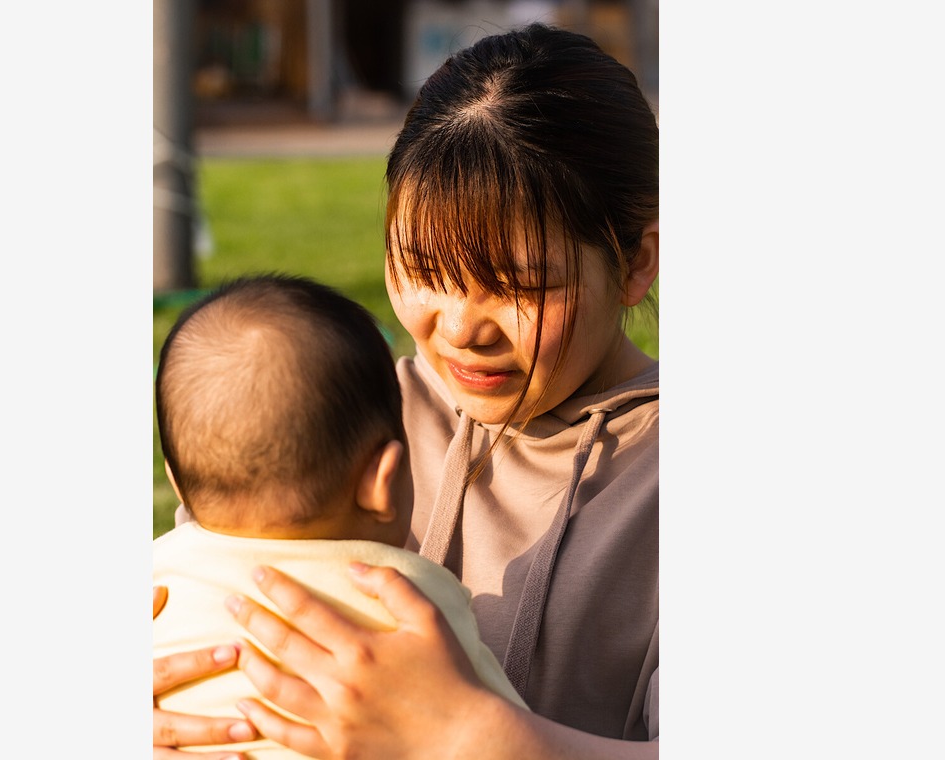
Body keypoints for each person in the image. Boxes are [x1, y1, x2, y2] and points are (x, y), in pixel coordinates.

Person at [154, 22, 660, 759]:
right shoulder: (342, 420)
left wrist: (472, 737)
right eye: (422, 270)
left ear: (638, 260)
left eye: (520, 286)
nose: (459, 329)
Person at [153, 274, 528, 757]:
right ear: (382, 479)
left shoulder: (159, 575)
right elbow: (504, 733)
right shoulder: (413, 598)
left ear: (175, 481)